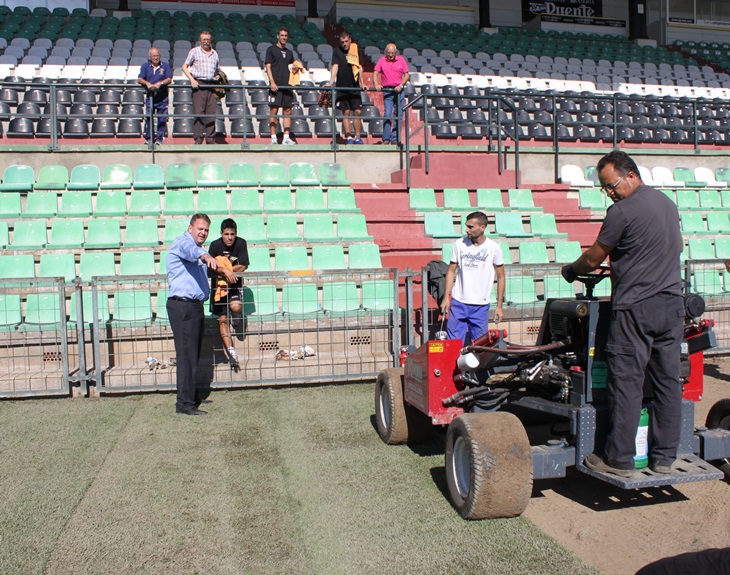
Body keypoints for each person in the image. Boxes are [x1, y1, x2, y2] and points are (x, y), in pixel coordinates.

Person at [561, 150, 684, 477]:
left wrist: (571, 271)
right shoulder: (668, 205)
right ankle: (664, 458)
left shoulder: (622, 212)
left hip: (635, 309)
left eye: (611, 185)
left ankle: (619, 458)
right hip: (672, 305)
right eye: (604, 189)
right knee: (668, 382)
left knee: (627, 382)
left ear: (631, 175)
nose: (610, 192)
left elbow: (593, 258)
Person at [166, 214, 219, 416]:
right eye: (200, 229)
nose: (203, 233)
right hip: (183, 307)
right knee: (187, 356)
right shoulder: (184, 243)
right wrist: (205, 256)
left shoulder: (197, 250)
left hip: (194, 306)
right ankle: (184, 404)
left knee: (192, 354)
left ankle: (189, 396)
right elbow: (191, 252)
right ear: (190, 228)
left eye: (206, 230)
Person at [440, 211, 505, 344]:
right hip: (459, 302)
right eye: (466, 226)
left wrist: (499, 306)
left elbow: (501, 276)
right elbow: (451, 270)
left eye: (470, 227)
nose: (466, 230)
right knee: (454, 344)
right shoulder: (459, 244)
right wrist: (446, 297)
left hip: (480, 306)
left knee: (479, 346)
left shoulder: (494, 248)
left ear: (482, 227)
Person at [208, 218, 249, 368]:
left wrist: (226, 270)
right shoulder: (214, 246)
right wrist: (224, 271)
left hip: (234, 286)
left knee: (236, 307)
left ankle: (237, 317)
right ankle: (231, 350)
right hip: (218, 288)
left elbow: (243, 266)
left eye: (232, 234)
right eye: (226, 234)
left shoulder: (241, 243)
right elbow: (210, 268)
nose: (230, 237)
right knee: (222, 320)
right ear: (221, 233)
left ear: (236, 233)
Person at [182, 31, 220, 145]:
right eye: (204, 39)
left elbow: (218, 69)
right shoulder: (194, 51)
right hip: (199, 84)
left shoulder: (215, 53)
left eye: (208, 39)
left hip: (211, 85)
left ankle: (210, 139)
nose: (206, 42)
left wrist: (217, 76)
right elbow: (184, 66)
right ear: (200, 40)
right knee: (199, 113)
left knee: (211, 113)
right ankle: (198, 139)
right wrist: (192, 80)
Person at [265, 28, 302, 146]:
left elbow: (292, 66)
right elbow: (268, 66)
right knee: (274, 111)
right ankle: (273, 138)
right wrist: (272, 82)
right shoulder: (271, 50)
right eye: (282, 35)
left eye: (286, 35)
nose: (284, 37)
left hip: (287, 86)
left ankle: (286, 138)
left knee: (287, 111)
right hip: (276, 86)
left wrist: (296, 68)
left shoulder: (290, 52)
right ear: (277, 36)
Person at [327, 31, 364, 145]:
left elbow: (360, 67)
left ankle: (357, 137)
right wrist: (331, 82)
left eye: (346, 41)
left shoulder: (355, 50)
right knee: (346, 112)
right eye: (342, 42)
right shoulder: (336, 51)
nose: (344, 44)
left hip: (354, 86)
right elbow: (335, 66)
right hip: (342, 87)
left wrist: (362, 84)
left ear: (350, 40)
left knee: (357, 111)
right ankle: (348, 137)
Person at [373, 43, 410, 145]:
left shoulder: (401, 60)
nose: (390, 55)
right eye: (389, 53)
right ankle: (386, 139)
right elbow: (375, 73)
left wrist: (401, 86)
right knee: (388, 114)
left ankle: (395, 139)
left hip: (399, 90)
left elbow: (407, 76)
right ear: (386, 52)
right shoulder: (382, 60)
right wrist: (377, 84)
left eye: (392, 53)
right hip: (387, 90)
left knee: (399, 114)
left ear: (395, 52)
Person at [137, 47, 172, 146]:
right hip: (150, 96)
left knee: (162, 118)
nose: (156, 57)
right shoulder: (145, 66)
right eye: (154, 56)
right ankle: (149, 138)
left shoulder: (165, 66)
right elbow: (140, 79)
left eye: (157, 55)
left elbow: (169, 79)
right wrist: (147, 84)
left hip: (162, 96)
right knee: (149, 117)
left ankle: (159, 139)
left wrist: (160, 83)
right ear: (149, 57)